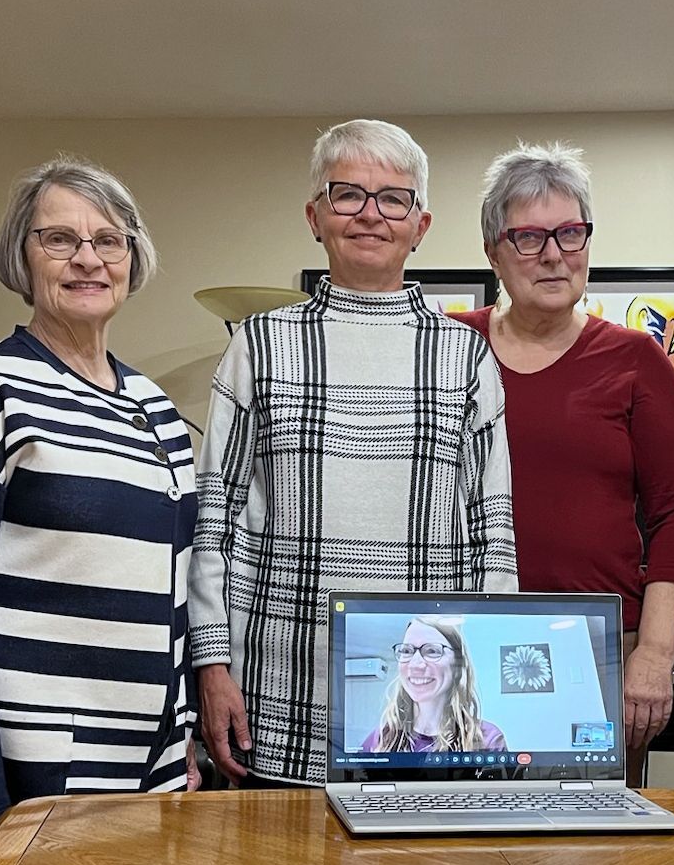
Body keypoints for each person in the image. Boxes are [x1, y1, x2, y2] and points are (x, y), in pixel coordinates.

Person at [190, 119, 518, 787]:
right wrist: (212, 662)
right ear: (315, 215)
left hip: (422, 711)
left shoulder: (464, 355)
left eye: (392, 198)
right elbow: (212, 521)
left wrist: (485, 691)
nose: (371, 213)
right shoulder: (259, 345)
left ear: (420, 223)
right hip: (272, 695)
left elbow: (494, 530)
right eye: (348, 194)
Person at [0, 156, 199, 863]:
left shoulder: (157, 409)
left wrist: (181, 735)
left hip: (150, 771)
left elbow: (173, 596)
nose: (87, 259)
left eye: (108, 239)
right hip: (31, 772)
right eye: (59, 240)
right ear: (22, 255)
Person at [451, 142, 674, 782]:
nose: (555, 253)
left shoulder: (635, 360)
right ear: (493, 252)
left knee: (589, 861)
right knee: (457, 851)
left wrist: (653, 652)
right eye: (529, 237)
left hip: (595, 650)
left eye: (570, 233)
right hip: (460, 643)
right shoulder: (450, 347)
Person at [360, 617, 506, 753]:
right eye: (407, 651)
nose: (415, 664)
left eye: (432, 651)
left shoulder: (488, 741)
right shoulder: (377, 743)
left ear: (458, 665)